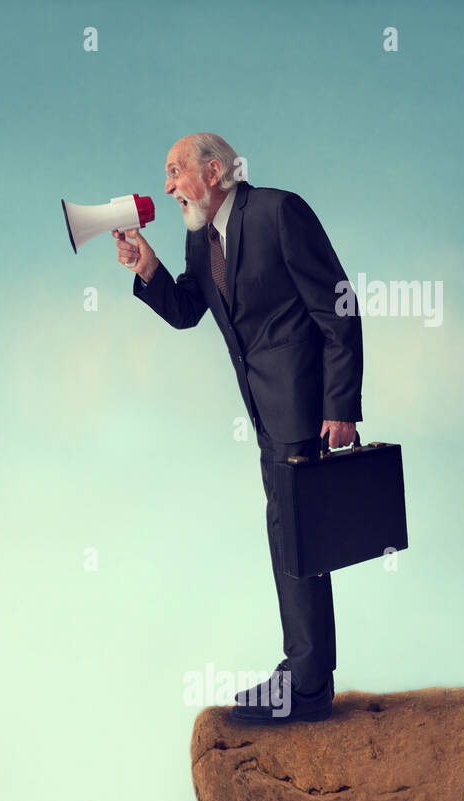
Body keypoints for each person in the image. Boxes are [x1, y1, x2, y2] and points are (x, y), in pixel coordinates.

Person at [115, 133, 363, 724]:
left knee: (295, 538)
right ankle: (305, 671)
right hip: (264, 412)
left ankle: (306, 687)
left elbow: (340, 306)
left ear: (217, 170)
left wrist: (342, 406)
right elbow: (187, 312)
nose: (168, 185)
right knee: (291, 537)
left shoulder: (279, 211)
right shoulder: (200, 238)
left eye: (175, 172)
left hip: (306, 409)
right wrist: (149, 269)